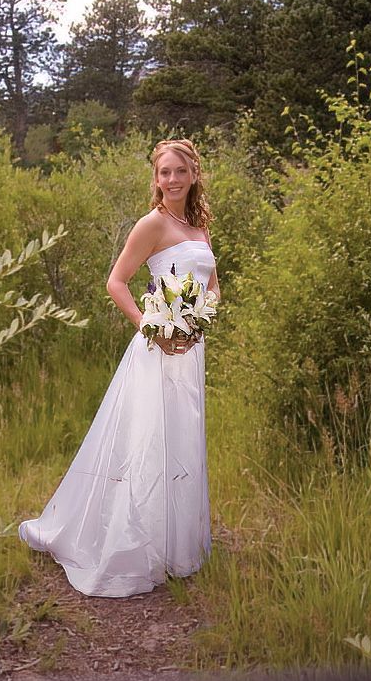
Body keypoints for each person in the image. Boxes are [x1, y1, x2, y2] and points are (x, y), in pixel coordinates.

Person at [18, 138, 220, 598]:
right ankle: (133, 544)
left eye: (179, 171)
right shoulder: (152, 223)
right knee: (147, 440)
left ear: (194, 175)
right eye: (164, 172)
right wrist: (155, 326)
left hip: (190, 348)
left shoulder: (201, 227)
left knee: (183, 438)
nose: (171, 180)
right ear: (156, 178)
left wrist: (196, 320)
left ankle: (177, 548)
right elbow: (117, 282)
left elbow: (213, 288)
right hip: (157, 349)